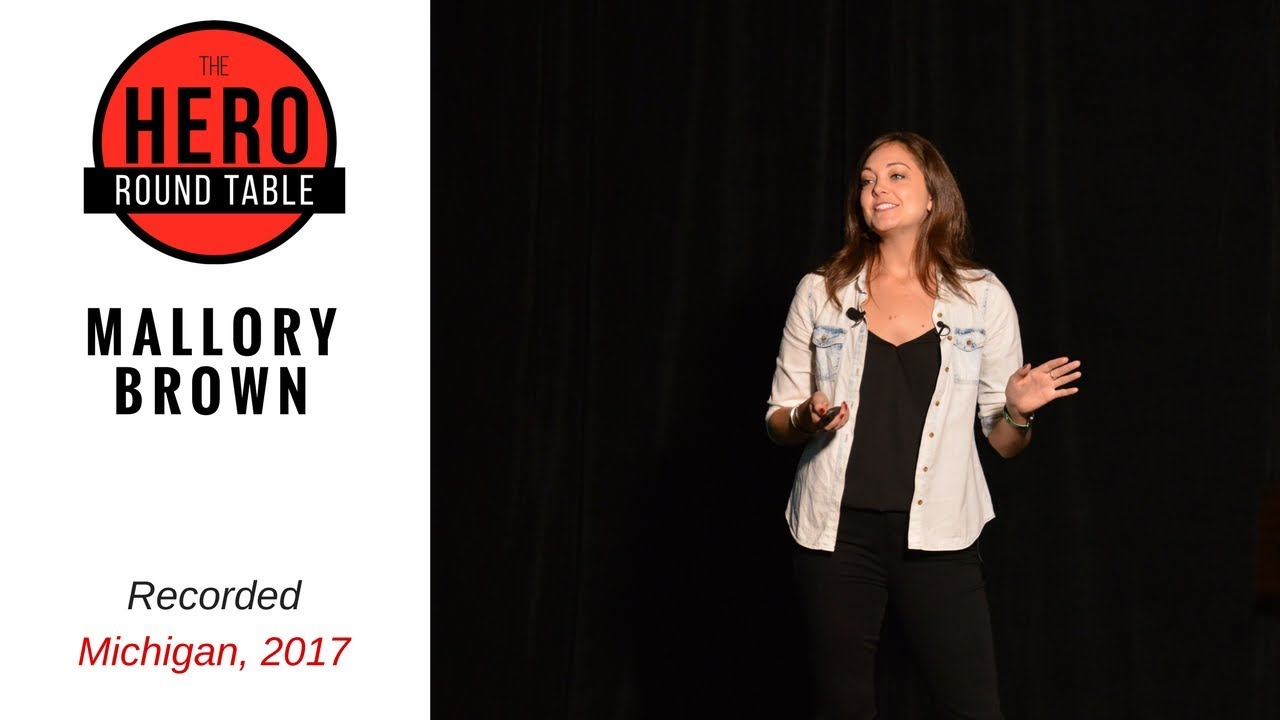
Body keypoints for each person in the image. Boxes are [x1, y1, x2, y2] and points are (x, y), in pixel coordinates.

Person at [764, 131, 1081, 719]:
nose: (877, 188)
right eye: (867, 180)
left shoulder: (981, 297)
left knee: (972, 707)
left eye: (896, 175)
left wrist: (1018, 409)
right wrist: (805, 417)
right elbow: (777, 421)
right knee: (842, 706)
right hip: (835, 533)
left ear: (933, 194)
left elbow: (1004, 443)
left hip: (940, 535)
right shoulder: (821, 292)